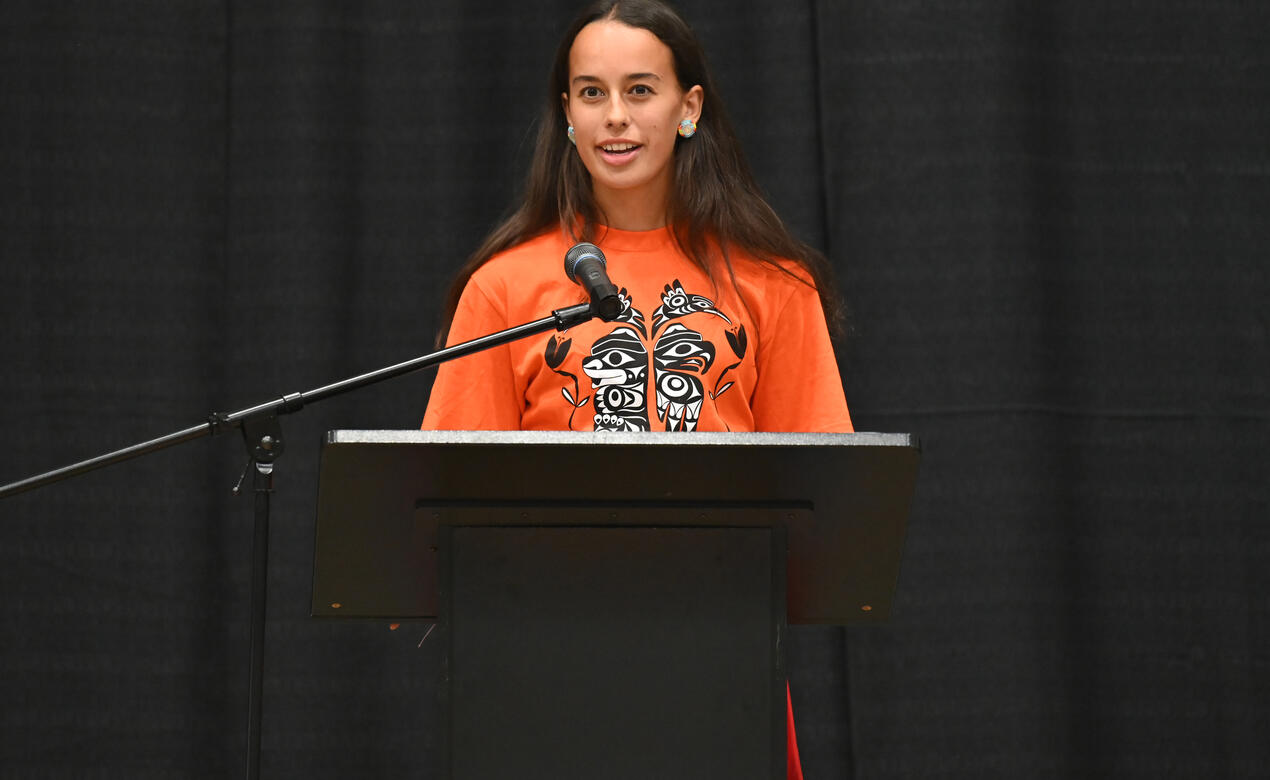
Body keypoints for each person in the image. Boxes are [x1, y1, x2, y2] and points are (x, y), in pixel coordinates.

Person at [423, 1, 852, 776]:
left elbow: (827, 505)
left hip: (720, 658)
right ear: (566, 115)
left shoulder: (775, 285)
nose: (614, 118)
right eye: (591, 93)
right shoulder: (503, 287)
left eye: (640, 90)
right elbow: (445, 510)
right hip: (543, 657)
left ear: (690, 107)